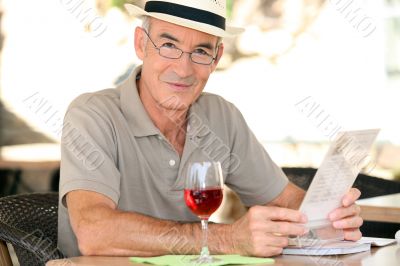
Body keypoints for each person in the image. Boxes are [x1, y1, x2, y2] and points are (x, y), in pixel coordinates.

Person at [58, 0, 363, 258]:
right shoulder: (92, 115)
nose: (183, 69)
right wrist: (225, 239)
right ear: (141, 44)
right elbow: (93, 231)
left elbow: (284, 201)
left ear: (216, 58)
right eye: (168, 45)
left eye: (201, 52)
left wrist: (328, 217)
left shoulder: (221, 115)